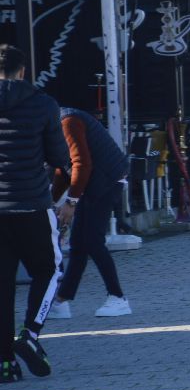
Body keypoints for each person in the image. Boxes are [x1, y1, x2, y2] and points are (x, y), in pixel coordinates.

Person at [0, 44, 72, 383]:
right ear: (23, 71)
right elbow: (60, 156)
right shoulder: (44, 104)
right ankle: (28, 334)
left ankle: (4, 365)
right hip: (31, 203)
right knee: (49, 269)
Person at [46, 107, 132, 319]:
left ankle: (118, 298)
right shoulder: (59, 123)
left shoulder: (68, 122)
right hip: (95, 181)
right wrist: (52, 202)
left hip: (106, 180)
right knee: (78, 244)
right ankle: (61, 301)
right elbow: (63, 166)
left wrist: (71, 201)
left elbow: (81, 163)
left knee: (92, 241)